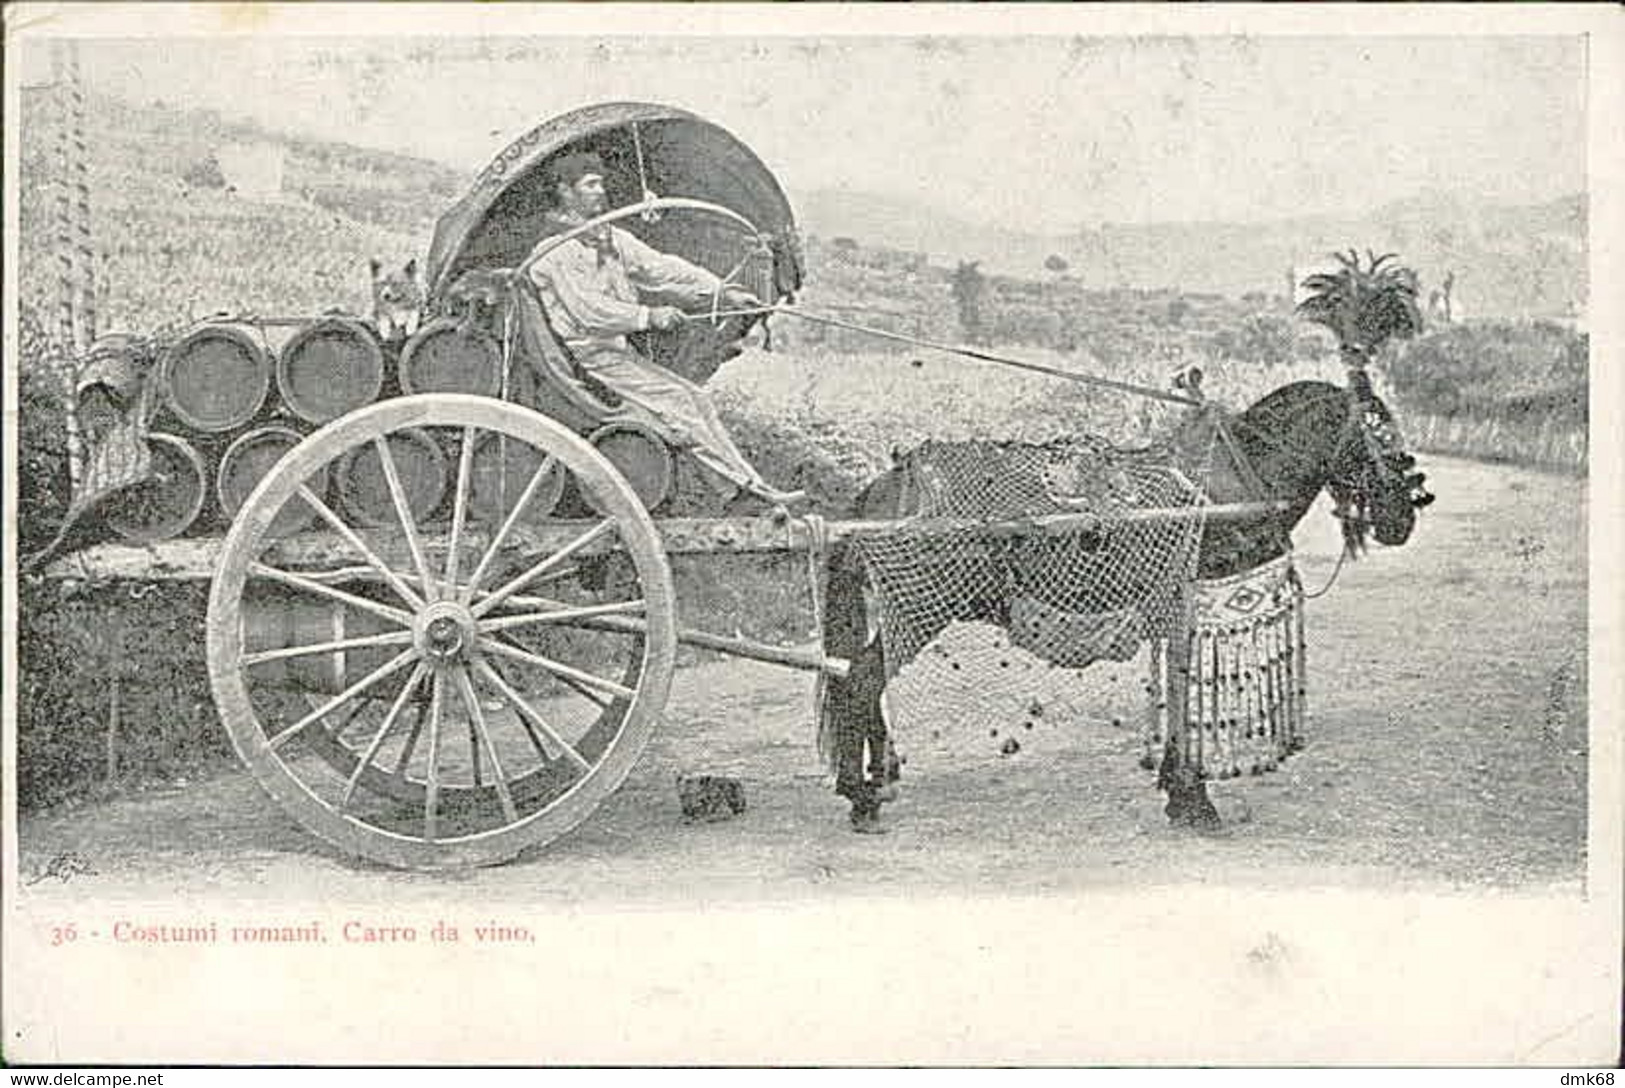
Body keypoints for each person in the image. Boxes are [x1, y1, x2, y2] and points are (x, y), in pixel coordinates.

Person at [524, 151, 805, 508]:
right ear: (565, 192)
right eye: (590, 184)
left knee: (693, 400)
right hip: (585, 361)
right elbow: (590, 311)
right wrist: (649, 316)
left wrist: (721, 291)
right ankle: (743, 492)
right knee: (677, 404)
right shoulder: (554, 250)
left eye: (601, 182)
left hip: (613, 354)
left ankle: (740, 489)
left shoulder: (607, 236)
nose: (600, 190)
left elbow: (662, 269)